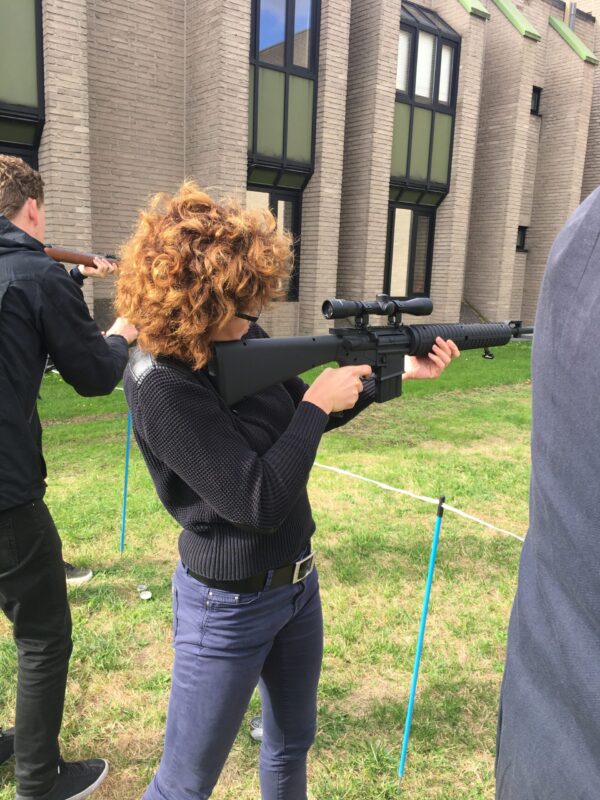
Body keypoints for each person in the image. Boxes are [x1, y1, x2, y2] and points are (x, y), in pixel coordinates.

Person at [115, 181, 459, 800]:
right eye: (246, 308)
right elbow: (258, 501)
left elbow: (303, 415)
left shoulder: (236, 342)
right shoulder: (159, 383)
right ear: (201, 301)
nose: (256, 320)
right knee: (184, 784)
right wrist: (315, 406)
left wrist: (397, 372)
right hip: (227, 605)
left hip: (297, 585)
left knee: (290, 743)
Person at [0, 154, 137, 800]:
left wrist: (72, 279)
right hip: (6, 495)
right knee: (43, 636)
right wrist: (123, 331)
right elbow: (95, 374)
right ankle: (39, 781)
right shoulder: (35, 273)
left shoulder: (39, 274)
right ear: (32, 209)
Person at [495, 187, 600, 799]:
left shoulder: (582, 235)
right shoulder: (173, 388)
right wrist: (318, 405)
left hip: (542, 744)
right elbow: (254, 495)